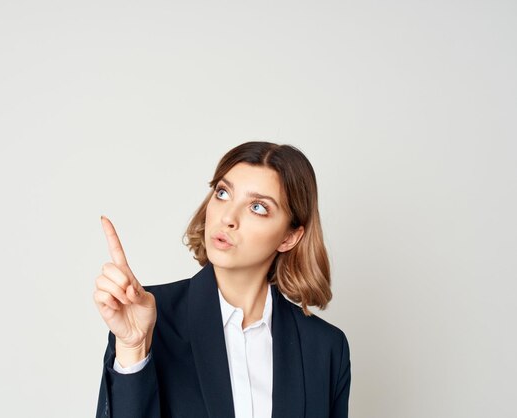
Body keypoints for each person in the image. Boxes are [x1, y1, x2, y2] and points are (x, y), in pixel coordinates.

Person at [93, 141, 351, 418]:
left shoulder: (325, 348)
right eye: (223, 193)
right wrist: (134, 348)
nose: (228, 217)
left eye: (258, 207)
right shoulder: (151, 317)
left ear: (289, 237)